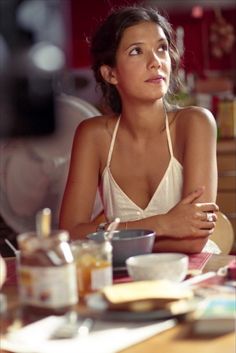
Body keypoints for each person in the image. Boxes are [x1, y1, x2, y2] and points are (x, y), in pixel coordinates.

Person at [59, 5, 219, 253]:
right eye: (136, 51)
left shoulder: (196, 123)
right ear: (110, 73)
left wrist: (108, 239)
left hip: (190, 276)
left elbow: (193, 240)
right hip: (121, 281)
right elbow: (70, 236)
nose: (156, 62)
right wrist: (164, 224)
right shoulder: (93, 135)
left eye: (162, 48)